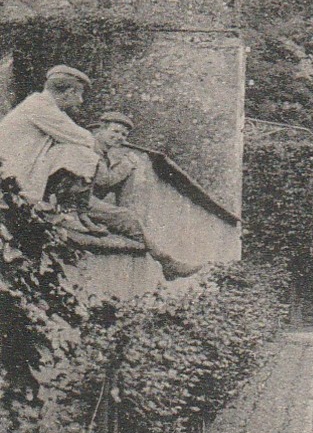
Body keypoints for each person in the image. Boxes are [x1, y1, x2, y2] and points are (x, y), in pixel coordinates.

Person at [84, 113, 201, 280]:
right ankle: (166, 262)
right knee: (127, 216)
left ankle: (166, 260)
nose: (119, 138)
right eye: (115, 131)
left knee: (129, 213)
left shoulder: (104, 152)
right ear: (101, 129)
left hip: (85, 198)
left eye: (123, 135)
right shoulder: (91, 147)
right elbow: (104, 181)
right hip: (76, 200)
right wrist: (127, 164)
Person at [0, 65, 101, 232]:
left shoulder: (43, 105)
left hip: (18, 169)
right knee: (82, 153)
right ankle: (67, 212)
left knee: (74, 151)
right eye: (79, 94)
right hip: (10, 174)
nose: (80, 101)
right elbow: (84, 138)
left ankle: (72, 211)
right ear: (68, 92)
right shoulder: (40, 106)